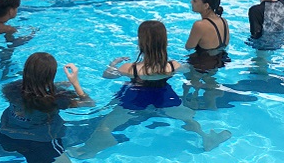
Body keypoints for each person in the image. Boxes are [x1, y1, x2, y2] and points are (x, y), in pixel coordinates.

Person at [72, 21, 231, 158]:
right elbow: (187, 69)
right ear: (165, 43)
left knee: (105, 126)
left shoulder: (130, 68)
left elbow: (107, 76)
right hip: (164, 96)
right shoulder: (172, 65)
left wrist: (113, 64)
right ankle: (206, 138)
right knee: (188, 118)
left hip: (135, 98)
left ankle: (94, 147)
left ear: (141, 43)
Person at [0, 52, 93, 163]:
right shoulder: (56, 99)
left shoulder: (12, 89)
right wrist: (75, 83)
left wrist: (57, 85)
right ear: (51, 74)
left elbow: (32, 92)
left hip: (6, 136)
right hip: (40, 143)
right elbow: (89, 103)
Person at [185, 0, 230, 72]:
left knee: (186, 85)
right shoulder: (224, 21)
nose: (191, 2)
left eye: (194, 0)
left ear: (206, 6)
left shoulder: (199, 25)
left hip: (201, 65)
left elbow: (188, 47)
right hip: (221, 60)